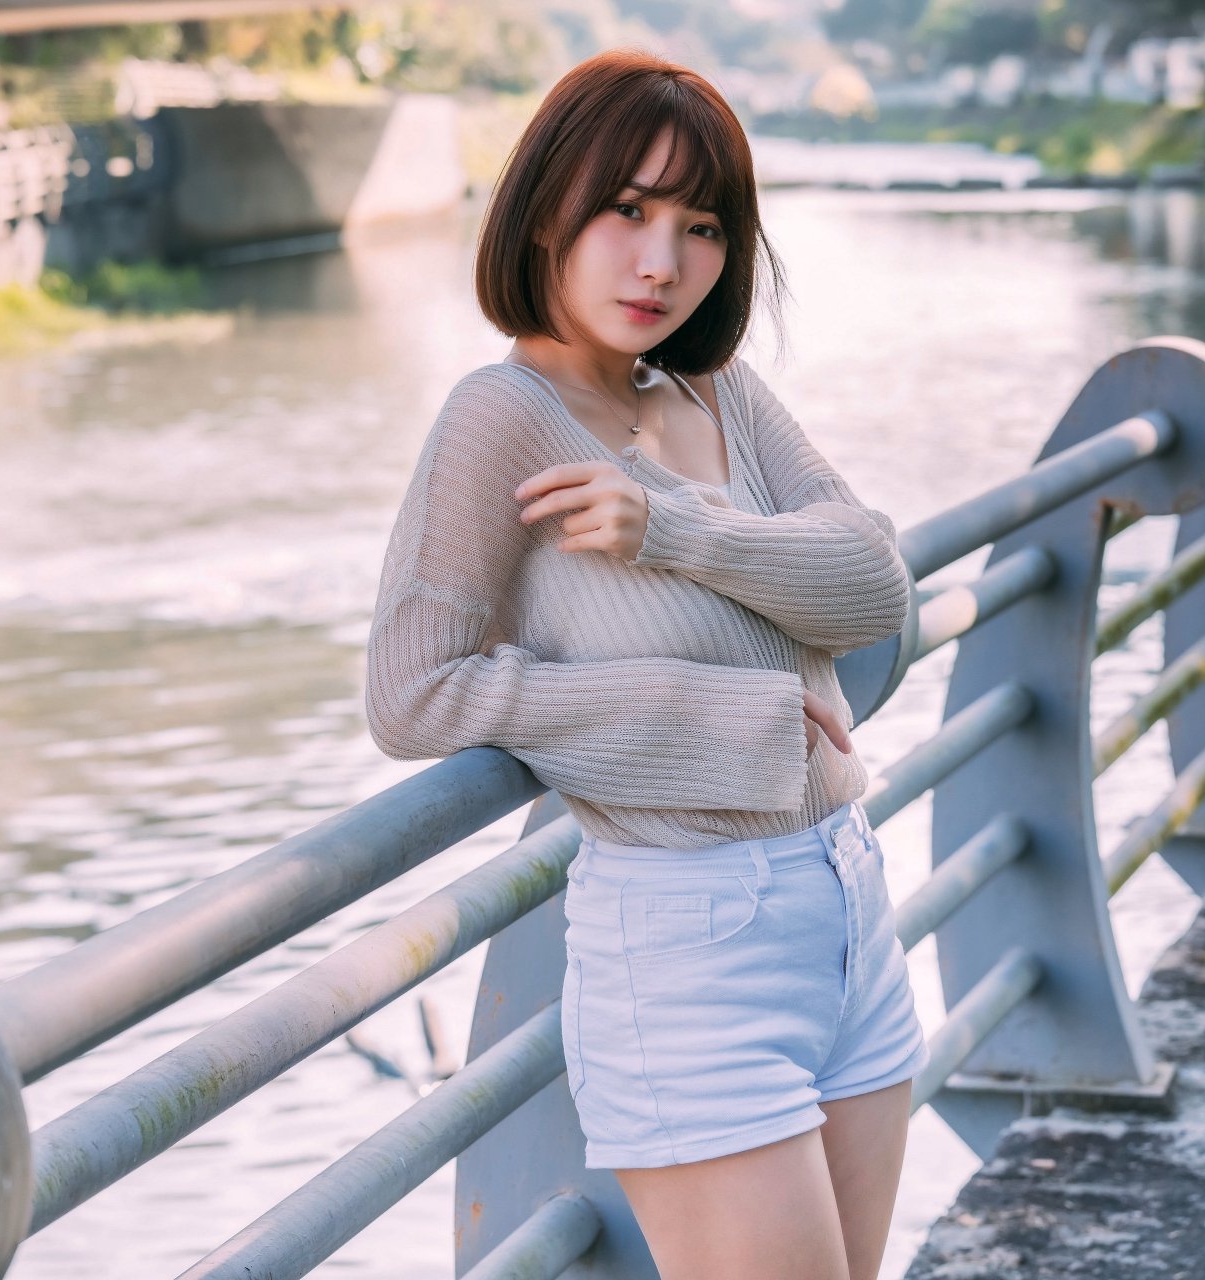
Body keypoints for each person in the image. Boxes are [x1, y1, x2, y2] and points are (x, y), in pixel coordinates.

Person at [362, 49, 927, 1280]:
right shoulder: (497, 417)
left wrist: (672, 525)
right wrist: (729, 719)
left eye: (701, 223)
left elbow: (873, 582)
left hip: (847, 914)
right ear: (548, 206)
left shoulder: (717, 389)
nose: (662, 261)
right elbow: (413, 690)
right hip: (689, 942)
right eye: (626, 210)